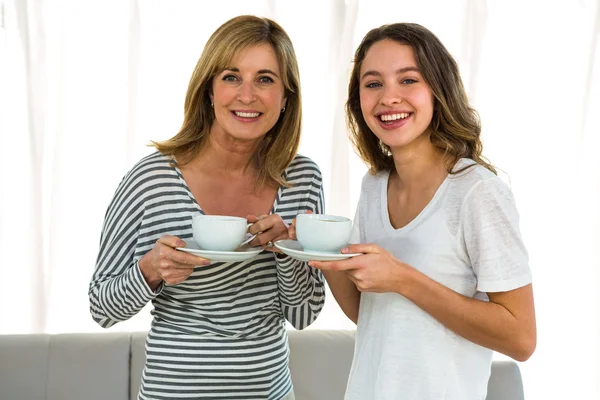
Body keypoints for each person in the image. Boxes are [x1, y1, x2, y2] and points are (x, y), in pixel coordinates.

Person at [89, 15, 325, 400]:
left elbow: (303, 315)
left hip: (268, 392)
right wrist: (151, 269)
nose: (247, 95)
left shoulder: (302, 178)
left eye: (265, 79)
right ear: (209, 90)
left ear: (286, 97)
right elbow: (102, 307)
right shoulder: (151, 178)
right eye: (231, 76)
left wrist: (288, 251)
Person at [306, 23, 537, 400]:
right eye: (373, 83)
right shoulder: (374, 184)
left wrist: (403, 278)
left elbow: (521, 338)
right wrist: (316, 250)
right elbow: (373, 316)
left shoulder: (477, 192)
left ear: (438, 90)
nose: (388, 98)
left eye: (408, 80)